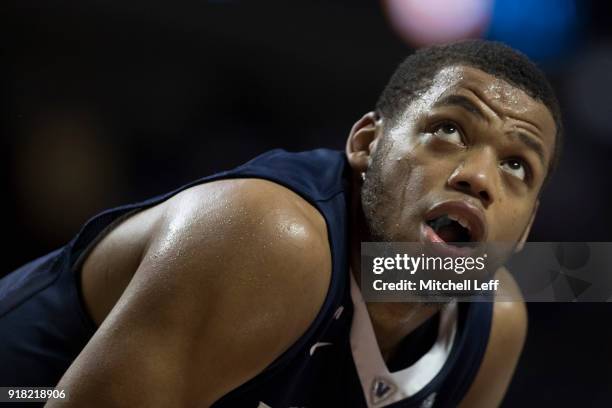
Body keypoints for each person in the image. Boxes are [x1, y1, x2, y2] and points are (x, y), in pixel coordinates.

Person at [0, 39, 562, 407]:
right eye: (449, 130)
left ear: (527, 228)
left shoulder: (494, 322)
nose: (480, 177)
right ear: (367, 143)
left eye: (517, 165)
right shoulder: (268, 236)